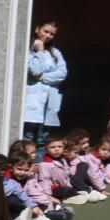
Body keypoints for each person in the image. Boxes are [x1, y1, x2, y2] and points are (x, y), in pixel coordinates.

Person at [23, 21, 65, 156]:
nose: (48, 36)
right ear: (37, 29)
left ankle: (40, 169)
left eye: (52, 34)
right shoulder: (28, 50)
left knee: (42, 139)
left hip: (49, 101)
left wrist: (42, 78)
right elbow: (35, 70)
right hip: (32, 100)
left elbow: (62, 74)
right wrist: (39, 51)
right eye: (45, 31)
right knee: (27, 138)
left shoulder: (55, 52)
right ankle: (25, 167)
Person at [17, 145, 74, 220]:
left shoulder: (32, 170)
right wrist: (47, 202)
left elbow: (38, 189)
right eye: (32, 153)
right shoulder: (27, 173)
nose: (35, 155)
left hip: (34, 199)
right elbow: (32, 191)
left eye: (35, 152)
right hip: (27, 201)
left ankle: (55, 209)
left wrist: (50, 198)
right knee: (37, 205)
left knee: (53, 202)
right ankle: (44, 214)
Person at [36, 132, 89, 205]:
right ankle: (72, 197)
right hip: (53, 190)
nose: (57, 149)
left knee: (72, 185)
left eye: (60, 147)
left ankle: (79, 194)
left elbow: (66, 174)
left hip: (64, 186)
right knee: (66, 190)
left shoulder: (63, 160)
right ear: (46, 149)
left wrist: (70, 185)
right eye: (52, 147)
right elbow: (44, 180)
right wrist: (48, 196)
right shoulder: (45, 164)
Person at [66, 130, 109, 201]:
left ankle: (83, 190)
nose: (87, 145)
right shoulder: (75, 155)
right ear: (75, 144)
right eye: (83, 143)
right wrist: (101, 189)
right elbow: (93, 174)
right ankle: (88, 191)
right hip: (73, 179)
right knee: (83, 165)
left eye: (87, 142)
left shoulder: (86, 153)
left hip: (78, 179)